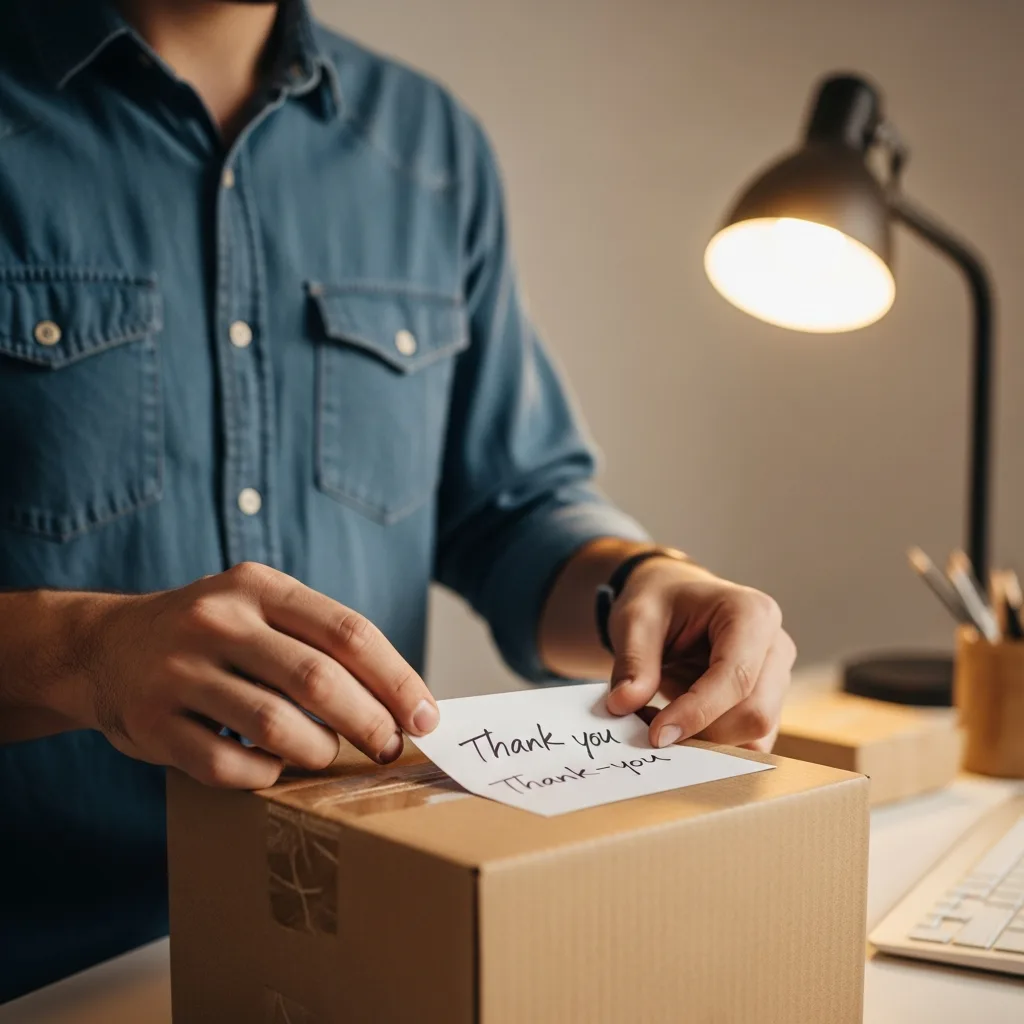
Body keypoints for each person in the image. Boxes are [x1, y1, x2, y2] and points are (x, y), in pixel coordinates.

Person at [0, 0, 795, 1003]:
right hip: (45, 967)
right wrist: (84, 655)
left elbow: (509, 506)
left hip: (350, 943)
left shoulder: (428, 148)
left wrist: (643, 583)